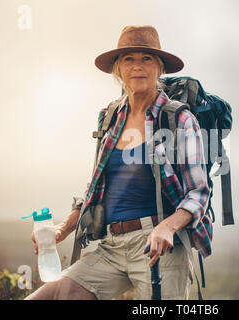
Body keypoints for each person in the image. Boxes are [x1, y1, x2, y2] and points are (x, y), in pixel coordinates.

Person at [25, 25, 210, 300]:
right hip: (111, 246)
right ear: (118, 70)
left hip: (160, 247)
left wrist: (167, 227)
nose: (138, 67)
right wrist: (63, 228)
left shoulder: (179, 120)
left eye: (146, 59)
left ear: (159, 68)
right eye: (129, 59)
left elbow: (198, 192)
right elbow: (97, 187)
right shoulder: (110, 117)